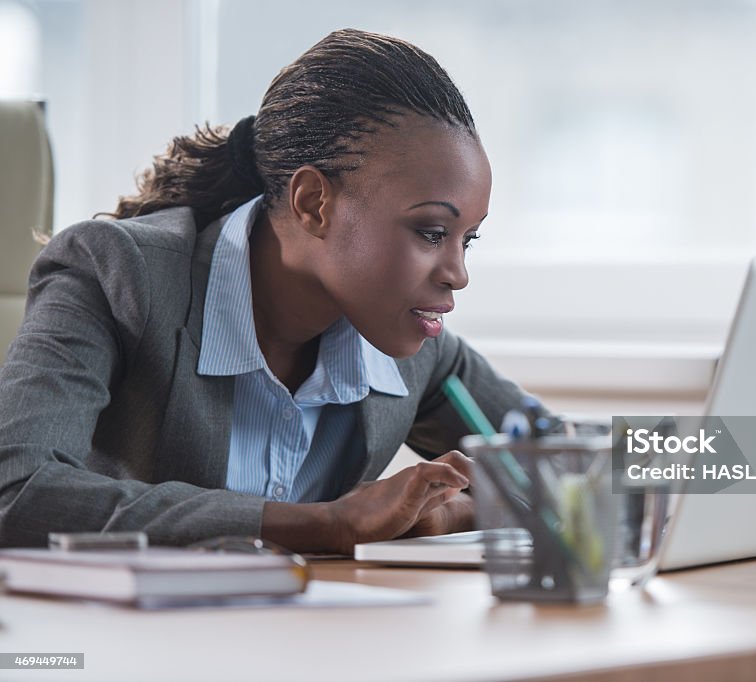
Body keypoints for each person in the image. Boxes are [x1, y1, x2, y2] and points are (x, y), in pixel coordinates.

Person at [0, 29, 536, 553]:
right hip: (111, 637)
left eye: (469, 239)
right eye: (432, 233)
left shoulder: (416, 351)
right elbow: (18, 489)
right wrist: (328, 524)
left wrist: (453, 515)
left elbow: (590, 462)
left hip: (297, 637)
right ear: (312, 203)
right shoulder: (116, 273)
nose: (457, 273)